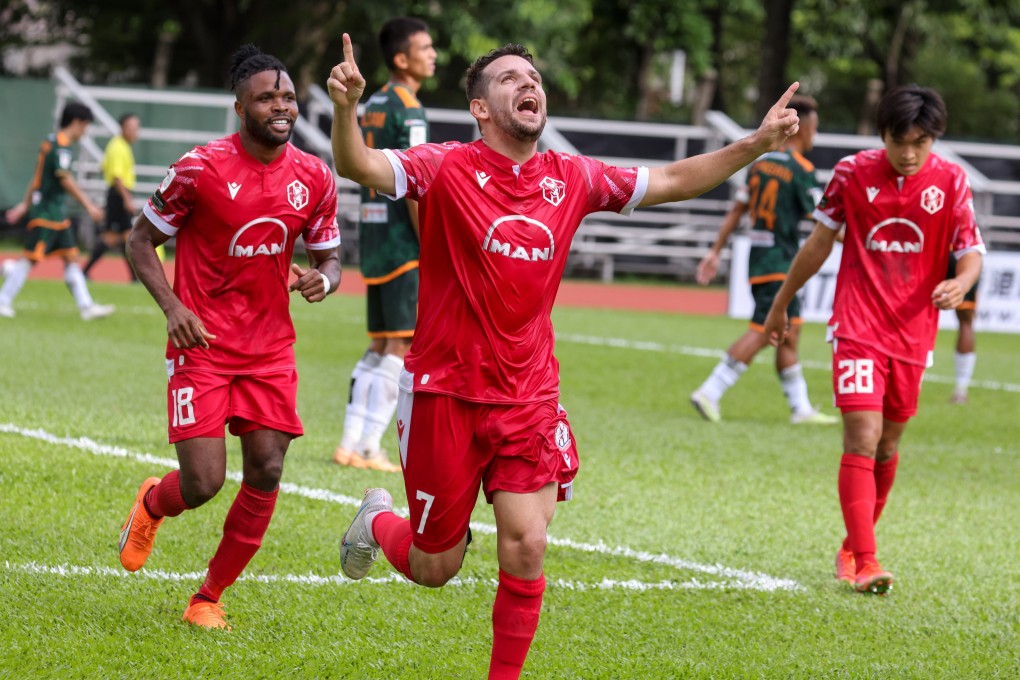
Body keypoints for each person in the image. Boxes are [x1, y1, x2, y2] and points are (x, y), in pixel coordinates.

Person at [328, 35, 801, 677]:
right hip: (444, 391)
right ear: (479, 108)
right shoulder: (444, 166)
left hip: (527, 395)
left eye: (534, 78)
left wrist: (754, 144)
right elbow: (358, 164)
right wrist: (346, 109)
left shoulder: (572, 177)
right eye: (509, 79)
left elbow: (669, 179)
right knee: (434, 566)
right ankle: (378, 518)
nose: (529, 85)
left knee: (527, 544)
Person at [118, 44, 341, 630]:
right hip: (203, 345)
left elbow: (330, 256)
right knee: (204, 482)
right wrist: (173, 308)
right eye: (266, 98)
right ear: (240, 107)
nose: (281, 106)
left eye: (288, 96)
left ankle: (207, 597)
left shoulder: (315, 175)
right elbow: (140, 241)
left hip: (270, 348)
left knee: (267, 468)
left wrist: (324, 278)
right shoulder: (200, 169)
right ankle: (152, 502)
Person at [762, 85, 984, 595]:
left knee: (887, 445)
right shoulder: (852, 172)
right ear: (882, 135)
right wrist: (781, 303)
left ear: (934, 139)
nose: (908, 153)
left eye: (920, 143)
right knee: (862, 435)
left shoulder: (951, 181)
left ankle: (851, 547)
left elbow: (971, 250)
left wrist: (961, 282)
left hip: (914, 332)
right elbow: (819, 243)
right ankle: (865, 561)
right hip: (857, 325)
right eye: (898, 141)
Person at [691, 94, 837, 426]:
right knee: (764, 329)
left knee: (789, 332)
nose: (815, 136)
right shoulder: (802, 170)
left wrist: (715, 250)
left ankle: (801, 408)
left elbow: (737, 210)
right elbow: (824, 220)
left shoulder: (758, 165)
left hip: (759, 259)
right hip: (782, 263)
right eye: (815, 128)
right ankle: (710, 392)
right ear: (803, 127)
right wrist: (861, 237)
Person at [333, 17, 436, 473]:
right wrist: (429, 240)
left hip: (374, 234)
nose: (433, 55)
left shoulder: (372, 102)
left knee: (379, 342)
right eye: (425, 48)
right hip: (401, 242)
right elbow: (416, 179)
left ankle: (349, 442)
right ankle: (369, 445)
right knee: (401, 344)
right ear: (401, 59)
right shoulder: (409, 109)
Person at [0, 102, 114, 320]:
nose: (85, 132)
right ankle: (3, 299)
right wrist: (89, 205)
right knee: (30, 258)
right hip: (47, 213)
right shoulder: (61, 145)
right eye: (85, 126)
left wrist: (24, 204)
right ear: (76, 122)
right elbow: (65, 179)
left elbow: (37, 177)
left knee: (71, 258)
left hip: (55, 213)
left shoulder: (50, 141)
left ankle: (87, 307)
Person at [83, 112, 142, 280]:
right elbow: (117, 177)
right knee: (116, 237)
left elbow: (105, 167)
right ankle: (84, 271)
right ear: (122, 128)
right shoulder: (118, 147)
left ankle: (133, 277)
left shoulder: (120, 145)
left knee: (124, 236)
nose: (135, 132)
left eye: (136, 128)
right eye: (132, 128)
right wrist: (127, 199)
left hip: (118, 194)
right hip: (118, 195)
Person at [947, 255, 978, 404]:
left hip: (932, 252)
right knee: (965, 322)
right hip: (963, 255)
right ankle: (961, 391)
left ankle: (910, 386)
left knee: (914, 318)